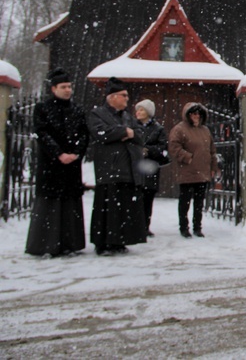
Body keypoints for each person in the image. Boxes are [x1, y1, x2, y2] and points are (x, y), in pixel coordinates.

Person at [25, 69, 89, 257]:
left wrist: (76, 153)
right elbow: (42, 134)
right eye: (63, 87)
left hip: (71, 167)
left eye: (69, 87)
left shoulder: (77, 109)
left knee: (70, 205)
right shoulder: (42, 109)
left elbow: (84, 135)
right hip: (51, 166)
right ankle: (47, 245)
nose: (67, 90)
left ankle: (70, 244)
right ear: (54, 89)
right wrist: (59, 154)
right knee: (50, 206)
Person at [87, 77, 148, 255]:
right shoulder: (98, 114)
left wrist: (127, 133)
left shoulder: (127, 117)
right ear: (112, 97)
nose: (127, 99)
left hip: (128, 170)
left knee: (123, 208)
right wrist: (124, 132)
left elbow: (140, 135)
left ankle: (120, 240)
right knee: (107, 209)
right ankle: (104, 242)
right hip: (109, 169)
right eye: (123, 95)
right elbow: (101, 133)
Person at [168, 102, 219, 238]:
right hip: (187, 172)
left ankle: (198, 227)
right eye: (193, 113)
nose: (196, 116)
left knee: (199, 202)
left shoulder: (205, 130)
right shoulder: (179, 129)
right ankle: (184, 227)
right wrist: (188, 158)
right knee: (185, 202)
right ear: (188, 115)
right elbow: (174, 147)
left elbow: (212, 150)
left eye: (198, 114)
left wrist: (213, 167)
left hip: (203, 172)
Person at [134, 99, 169, 237]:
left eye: (142, 109)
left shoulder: (158, 129)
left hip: (150, 168)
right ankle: (134, 226)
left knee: (147, 199)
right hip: (135, 168)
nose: (138, 112)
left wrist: (147, 150)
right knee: (134, 198)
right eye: (137, 109)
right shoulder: (132, 126)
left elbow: (163, 149)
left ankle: (145, 226)